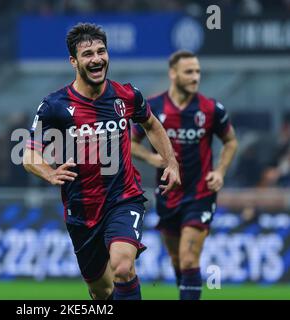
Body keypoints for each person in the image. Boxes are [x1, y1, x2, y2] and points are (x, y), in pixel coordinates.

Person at [22, 23, 180, 300]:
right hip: (81, 211)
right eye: (87, 54)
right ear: (74, 61)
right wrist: (48, 173)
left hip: (123, 198)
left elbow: (152, 125)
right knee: (102, 291)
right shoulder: (54, 106)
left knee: (122, 267)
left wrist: (171, 162)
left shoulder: (127, 95)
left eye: (101, 51)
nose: (96, 59)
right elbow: (29, 153)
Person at [131, 50, 238, 300]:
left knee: (190, 258)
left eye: (198, 71)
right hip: (168, 194)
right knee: (178, 260)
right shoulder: (154, 107)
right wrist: (151, 158)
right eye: (189, 71)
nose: (195, 77)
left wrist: (220, 172)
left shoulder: (211, 109)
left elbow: (231, 141)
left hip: (200, 192)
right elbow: (130, 143)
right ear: (173, 73)